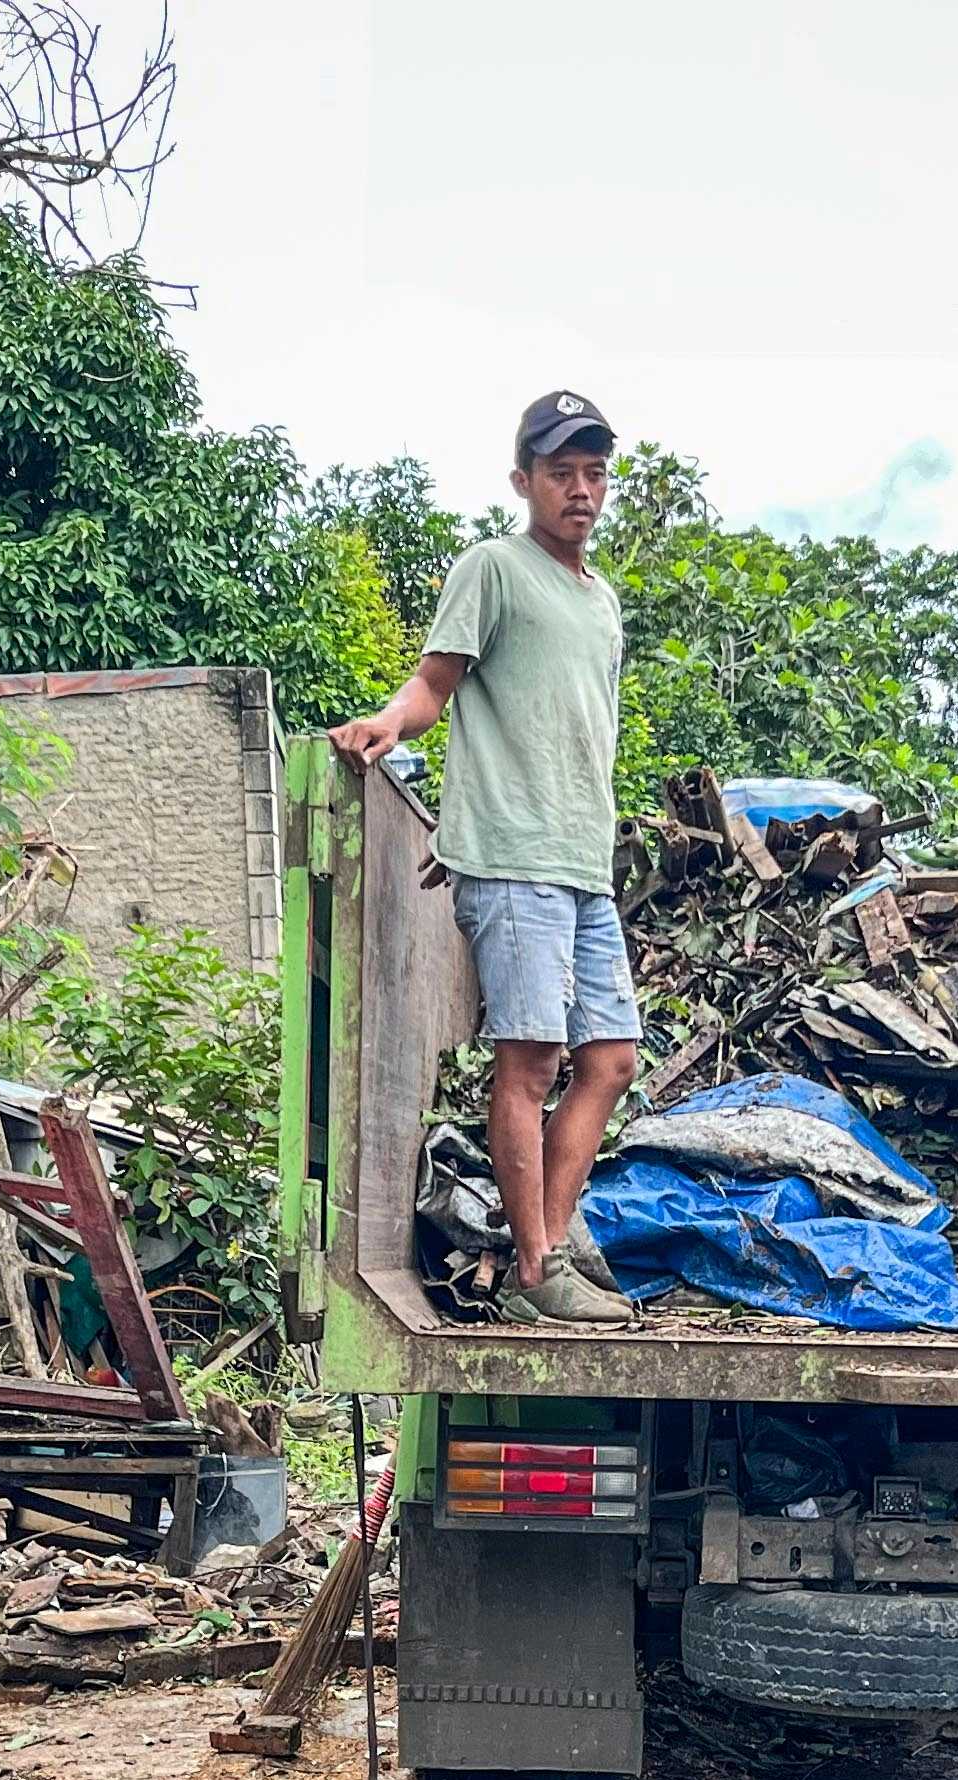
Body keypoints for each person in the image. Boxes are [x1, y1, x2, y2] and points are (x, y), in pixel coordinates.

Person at [326, 389, 639, 1328]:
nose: (580, 490)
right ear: (524, 481)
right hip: (516, 860)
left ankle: (553, 1227)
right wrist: (386, 724)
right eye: (560, 473)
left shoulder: (601, 599)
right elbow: (435, 684)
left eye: (593, 473)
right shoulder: (494, 568)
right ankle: (535, 1269)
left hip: (582, 863)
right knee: (533, 1058)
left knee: (613, 1058)